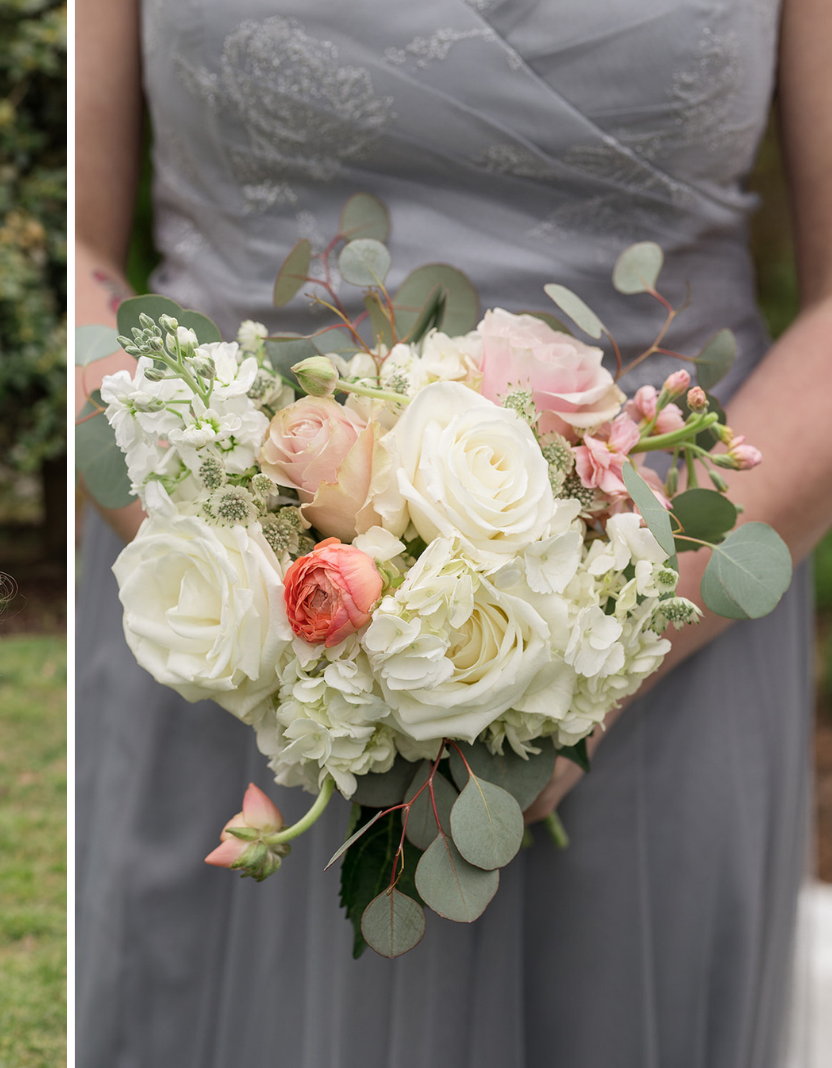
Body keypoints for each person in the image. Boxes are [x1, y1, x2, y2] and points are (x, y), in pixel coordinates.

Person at [75, 2, 828, 1066]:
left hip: (673, 626)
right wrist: (241, 557)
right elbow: (79, 252)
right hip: (219, 632)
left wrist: (598, 648)